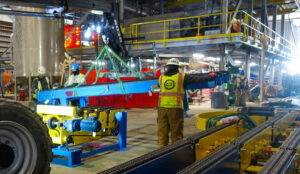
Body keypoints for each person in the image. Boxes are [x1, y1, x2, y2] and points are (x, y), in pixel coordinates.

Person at [157, 58, 217, 148]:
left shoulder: (161, 77)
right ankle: (175, 152)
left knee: (162, 132)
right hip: (175, 108)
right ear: (177, 67)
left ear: (167, 67)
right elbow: (197, 79)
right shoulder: (182, 77)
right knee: (176, 132)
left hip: (162, 108)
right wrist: (210, 76)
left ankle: (160, 152)